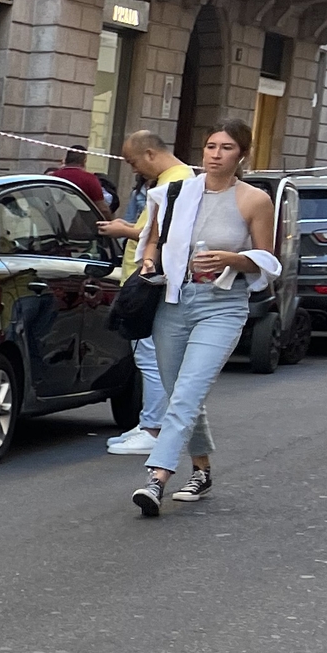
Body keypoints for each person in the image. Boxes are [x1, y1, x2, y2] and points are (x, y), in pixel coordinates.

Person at [131, 119, 279, 515]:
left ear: (241, 154)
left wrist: (233, 258)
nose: (216, 154)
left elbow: (268, 260)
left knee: (186, 393)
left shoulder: (254, 200)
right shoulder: (175, 192)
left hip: (223, 304)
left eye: (226, 147)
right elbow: (152, 243)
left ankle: (156, 478)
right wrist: (148, 264)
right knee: (177, 389)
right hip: (173, 302)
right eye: (211, 146)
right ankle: (202, 469)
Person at [103, 128, 192, 459]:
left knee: (150, 358)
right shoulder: (175, 178)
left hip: (151, 282)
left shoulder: (175, 181)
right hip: (150, 279)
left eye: (133, 161)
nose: (133, 169)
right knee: (151, 357)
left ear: (151, 154)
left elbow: (164, 231)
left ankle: (153, 428)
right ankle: (149, 424)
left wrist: (122, 230)